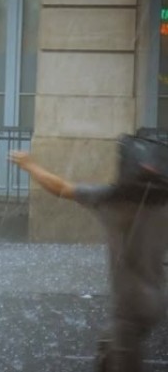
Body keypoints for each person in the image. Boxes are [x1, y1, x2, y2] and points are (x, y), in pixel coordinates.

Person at [9, 137, 168, 372]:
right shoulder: (163, 203)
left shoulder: (110, 200)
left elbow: (61, 188)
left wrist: (29, 164)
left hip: (129, 307)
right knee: (108, 344)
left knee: (123, 355)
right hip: (157, 299)